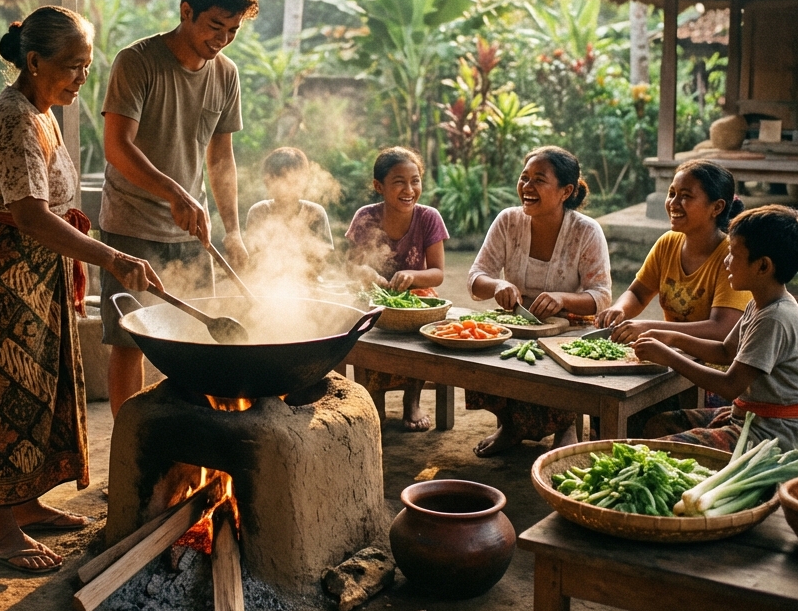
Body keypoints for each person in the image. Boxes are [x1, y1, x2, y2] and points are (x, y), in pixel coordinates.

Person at [0, 6, 161, 574]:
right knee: (6, 392)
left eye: (87, 66)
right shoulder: (14, 120)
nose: (81, 78)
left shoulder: (42, 113)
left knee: (41, 385)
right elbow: (30, 216)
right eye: (71, 66)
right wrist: (113, 256)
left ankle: (25, 503)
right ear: (35, 61)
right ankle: (0, 531)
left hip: (35, 269)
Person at [100, 0, 258, 417]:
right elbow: (117, 146)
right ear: (186, 11)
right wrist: (174, 193)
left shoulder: (225, 74)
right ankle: (129, 447)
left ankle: (188, 442)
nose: (223, 39)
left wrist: (233, 230)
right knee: (130, 342)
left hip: (192, 232)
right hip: (132, 227)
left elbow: (221, 158)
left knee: (196, 343)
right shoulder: (137, 62)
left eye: (233, 30)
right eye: (215, 26)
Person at [466, 146, 612, 457]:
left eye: (539, 180)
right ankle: (510, 427)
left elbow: (601, 296)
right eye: (524, 178)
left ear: (565, 191)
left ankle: (566, 427)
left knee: (558, 362)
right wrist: (498, 284)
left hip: (570, 326)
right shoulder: (508, 221)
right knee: (481, 351)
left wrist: (562, 299)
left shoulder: (586, 231)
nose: (527, 187)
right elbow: (476, 278)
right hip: (517, 322)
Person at [634, 205, 798, 452]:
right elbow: (725, 351)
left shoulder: (775, 318)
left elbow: (729, 386)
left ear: (763, 266)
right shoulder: (759, 303)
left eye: (733, 254)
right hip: (747, 415)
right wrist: (672, 337)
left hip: (769, 432)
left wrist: (668, 356)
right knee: (658, 424)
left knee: (664, 450)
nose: (726, 261)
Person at [346, 147, 448, 431]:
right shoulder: (365, 217)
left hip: (416, 297)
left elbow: (438, 274)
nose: (409, 190)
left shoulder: (428, 217)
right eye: (399, 182)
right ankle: (374, 400)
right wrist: (364, 272)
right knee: (365, 324)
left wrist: (412, 276)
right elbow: (350, 266)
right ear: (379, 186)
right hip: (375, 297)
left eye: (415, 181)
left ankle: (412, 400)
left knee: (422, 328)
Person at [594, 159, 749, 343]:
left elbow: (721, 329)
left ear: (717, 207)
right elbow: (638, 294)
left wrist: (650, 328)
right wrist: (619, 309)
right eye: (672, 193)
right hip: (671, 353)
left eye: (685, 196)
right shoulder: (668, 243)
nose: (673, 203)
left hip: (713, 360)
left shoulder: (732, 256)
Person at [245, 147, 334, 264]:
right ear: (267, 182)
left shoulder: (315, 213)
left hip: (308, 275)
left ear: (303, 181)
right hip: (265, 273)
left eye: (291, 182)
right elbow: (252, 255)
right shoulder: (259, 211)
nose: (283, 188)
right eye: (276, 180)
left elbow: (323, 257)